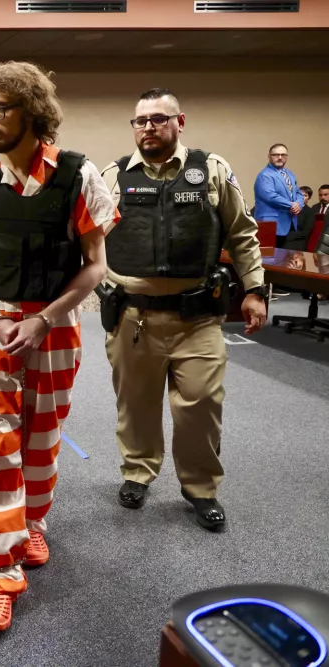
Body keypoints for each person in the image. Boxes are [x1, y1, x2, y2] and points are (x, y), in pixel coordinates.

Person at [0, 61, 114, 632]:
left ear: (32, 110)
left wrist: (44, 319)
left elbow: (95, 268)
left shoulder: (79, 175)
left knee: (42, 435)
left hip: (55, 323)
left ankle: (31, 522)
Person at [100, 88, 267, 532]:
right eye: (140, 120)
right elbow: (87, 237)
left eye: (159, 118)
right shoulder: (113, 176)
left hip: (198, 319)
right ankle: (137, 472)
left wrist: (255, 289)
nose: (148, 127)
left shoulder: (212, 170)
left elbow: (242, 234)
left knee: (200, 406)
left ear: (180, 122)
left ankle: (200, 488)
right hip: (132, 318)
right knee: (135, 406)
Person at [253, 143, 305, 248]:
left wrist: (299, 203)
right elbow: (270, 196)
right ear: (269, 156)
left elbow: (298, 192)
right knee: (268, 260)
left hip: (286, 223)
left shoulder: (289, 174)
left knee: (282, 259)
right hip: (270, 225)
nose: (280, 157)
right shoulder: (265, 175)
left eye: (283, 155)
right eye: (276, 155)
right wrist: (292, 205)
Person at [285, 185, 315, 250]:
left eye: (305, 195)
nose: (301, 197)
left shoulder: (310, 211)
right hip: (283, 236)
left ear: (308, 198)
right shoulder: (288, 207)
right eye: (300, 195)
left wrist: (289, 236)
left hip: (297, 240)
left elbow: (306, 231)